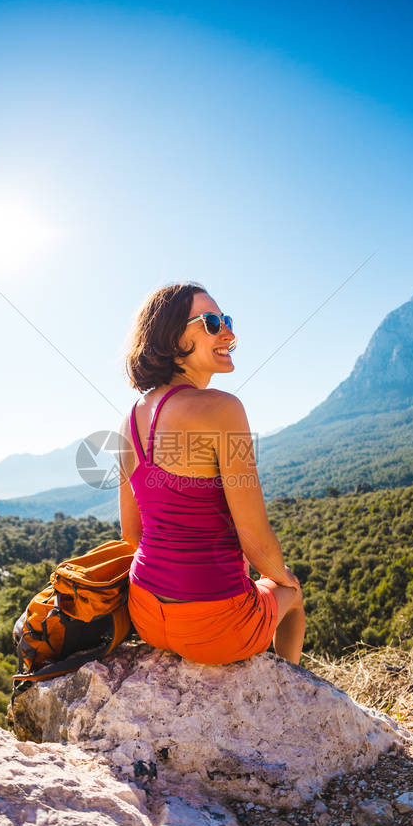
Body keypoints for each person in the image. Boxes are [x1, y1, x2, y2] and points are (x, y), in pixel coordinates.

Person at [118, 281, 306, 666]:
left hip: (146, 613)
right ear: (172, 339)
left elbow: (131, 534)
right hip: (216, 626)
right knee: (293, 593)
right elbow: (253, 538)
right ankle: (292, 688)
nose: (229, 333)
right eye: (211, 322)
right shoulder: (224, 410)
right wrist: (283, 578)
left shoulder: (129, 420)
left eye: (227, 321)